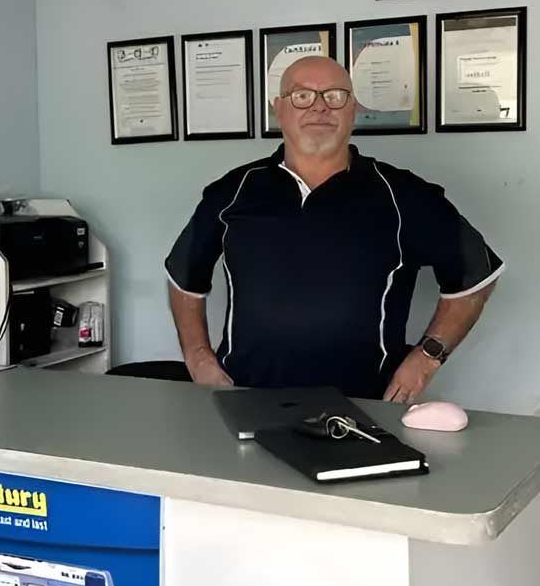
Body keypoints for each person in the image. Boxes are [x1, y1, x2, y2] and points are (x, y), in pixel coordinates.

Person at [165, 54, 502, 401]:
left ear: (353, 108)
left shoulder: (403, 195)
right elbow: (184, 280)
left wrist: (428, 356)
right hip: (246, 398)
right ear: (278, 109)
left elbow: (476, 278)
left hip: (367, 408)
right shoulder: (233, 192)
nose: (319, 107)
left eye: (335, 96)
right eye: (302, 96)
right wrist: (197, 356)